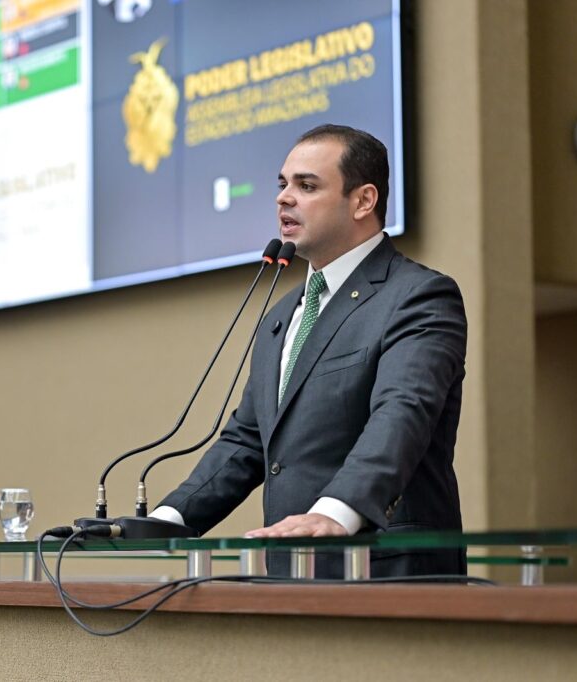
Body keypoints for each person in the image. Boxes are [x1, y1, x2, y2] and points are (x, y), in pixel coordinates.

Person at [153, 124, 467, 577]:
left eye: (306, 185)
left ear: (363, 201)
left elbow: (402, 412)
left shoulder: (418, 296)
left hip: (387, 570)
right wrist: (166, 520)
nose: (284, 198)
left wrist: (337, 511)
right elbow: (247, 441)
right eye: (282, 184)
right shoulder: (283, 314)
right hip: (293, 573)